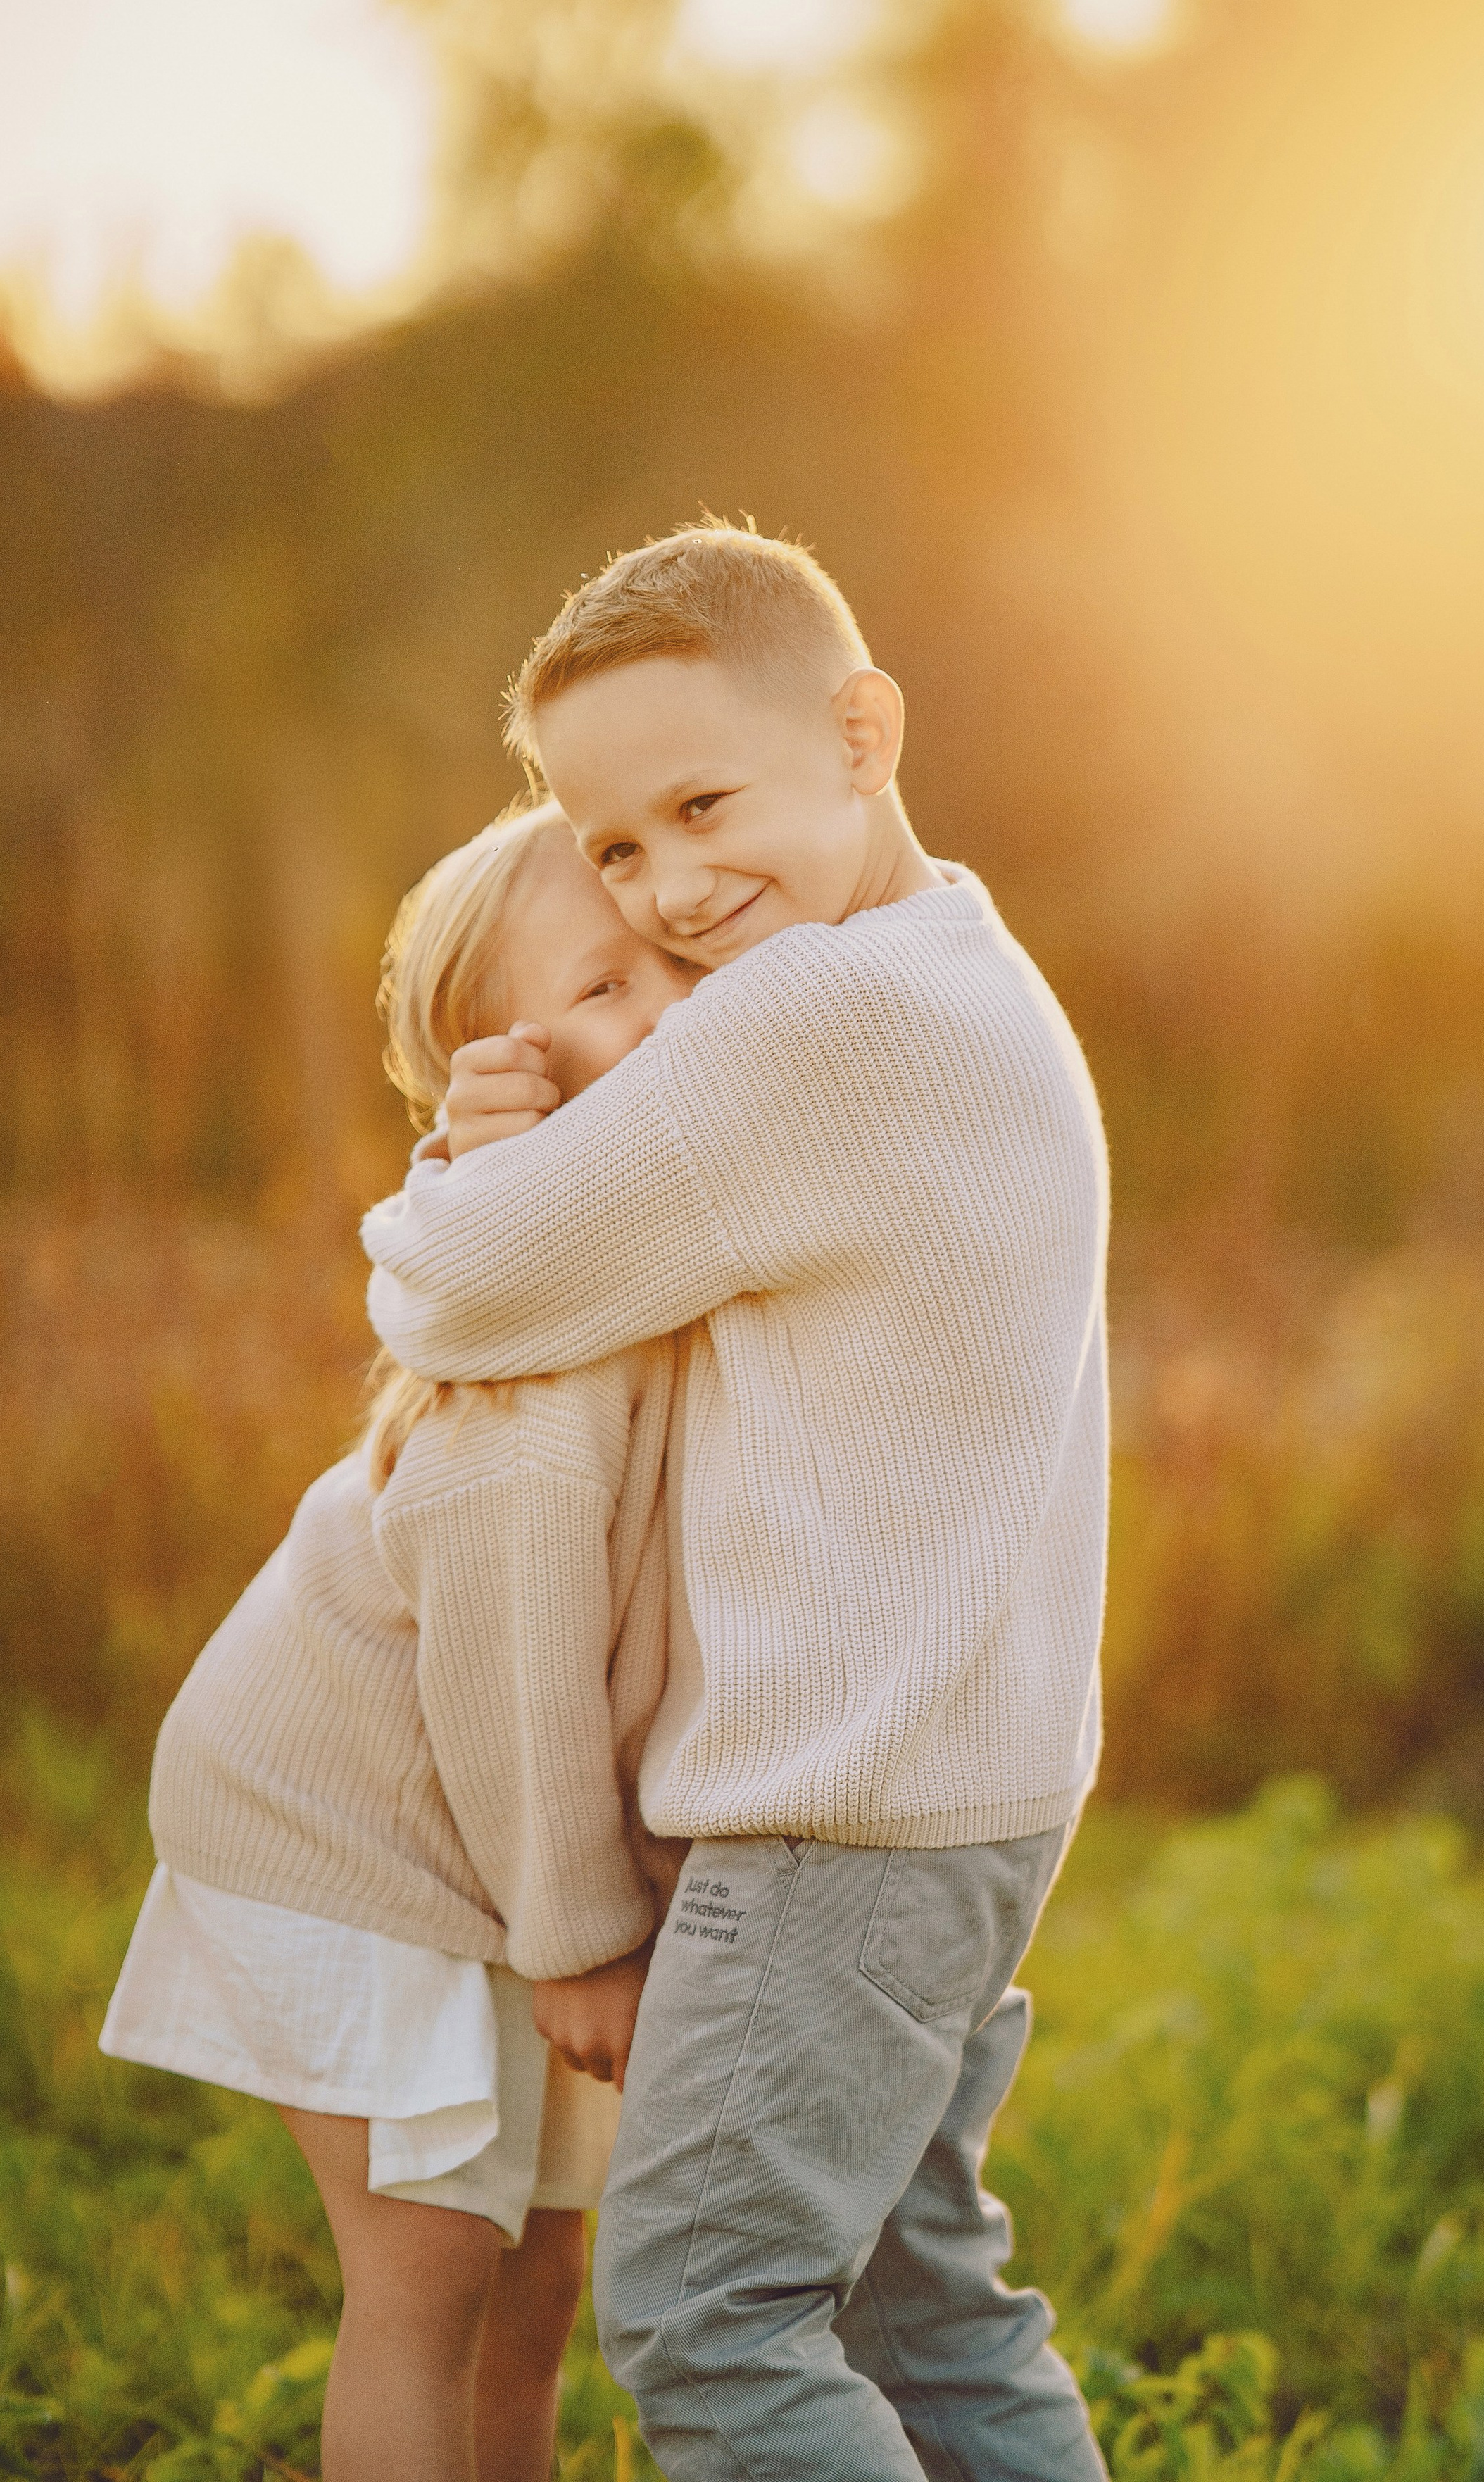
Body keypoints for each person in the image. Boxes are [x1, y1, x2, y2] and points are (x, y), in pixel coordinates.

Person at [363, 522, 1112, 2481]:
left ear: (862, 731)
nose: (676, 890)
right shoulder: (975, 976)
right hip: (970, 1797)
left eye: (706, 804)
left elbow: (460, 1291)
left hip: (833, 1819)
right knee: (918, 2303)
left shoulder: (819, 1019)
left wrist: (460, 1159)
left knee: (706, 2312)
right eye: (612, 851)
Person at [100, 803, 694, 2482]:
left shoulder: (642, 1213)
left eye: (673, 960)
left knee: (541, 2273)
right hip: (341, 1816)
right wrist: (576, 1936)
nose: (657, 1003)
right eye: (598, 983)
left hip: (482, 1826)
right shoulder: (535, 1342)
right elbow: (507, 1652)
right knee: (428, 2270)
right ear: (503, 1068)